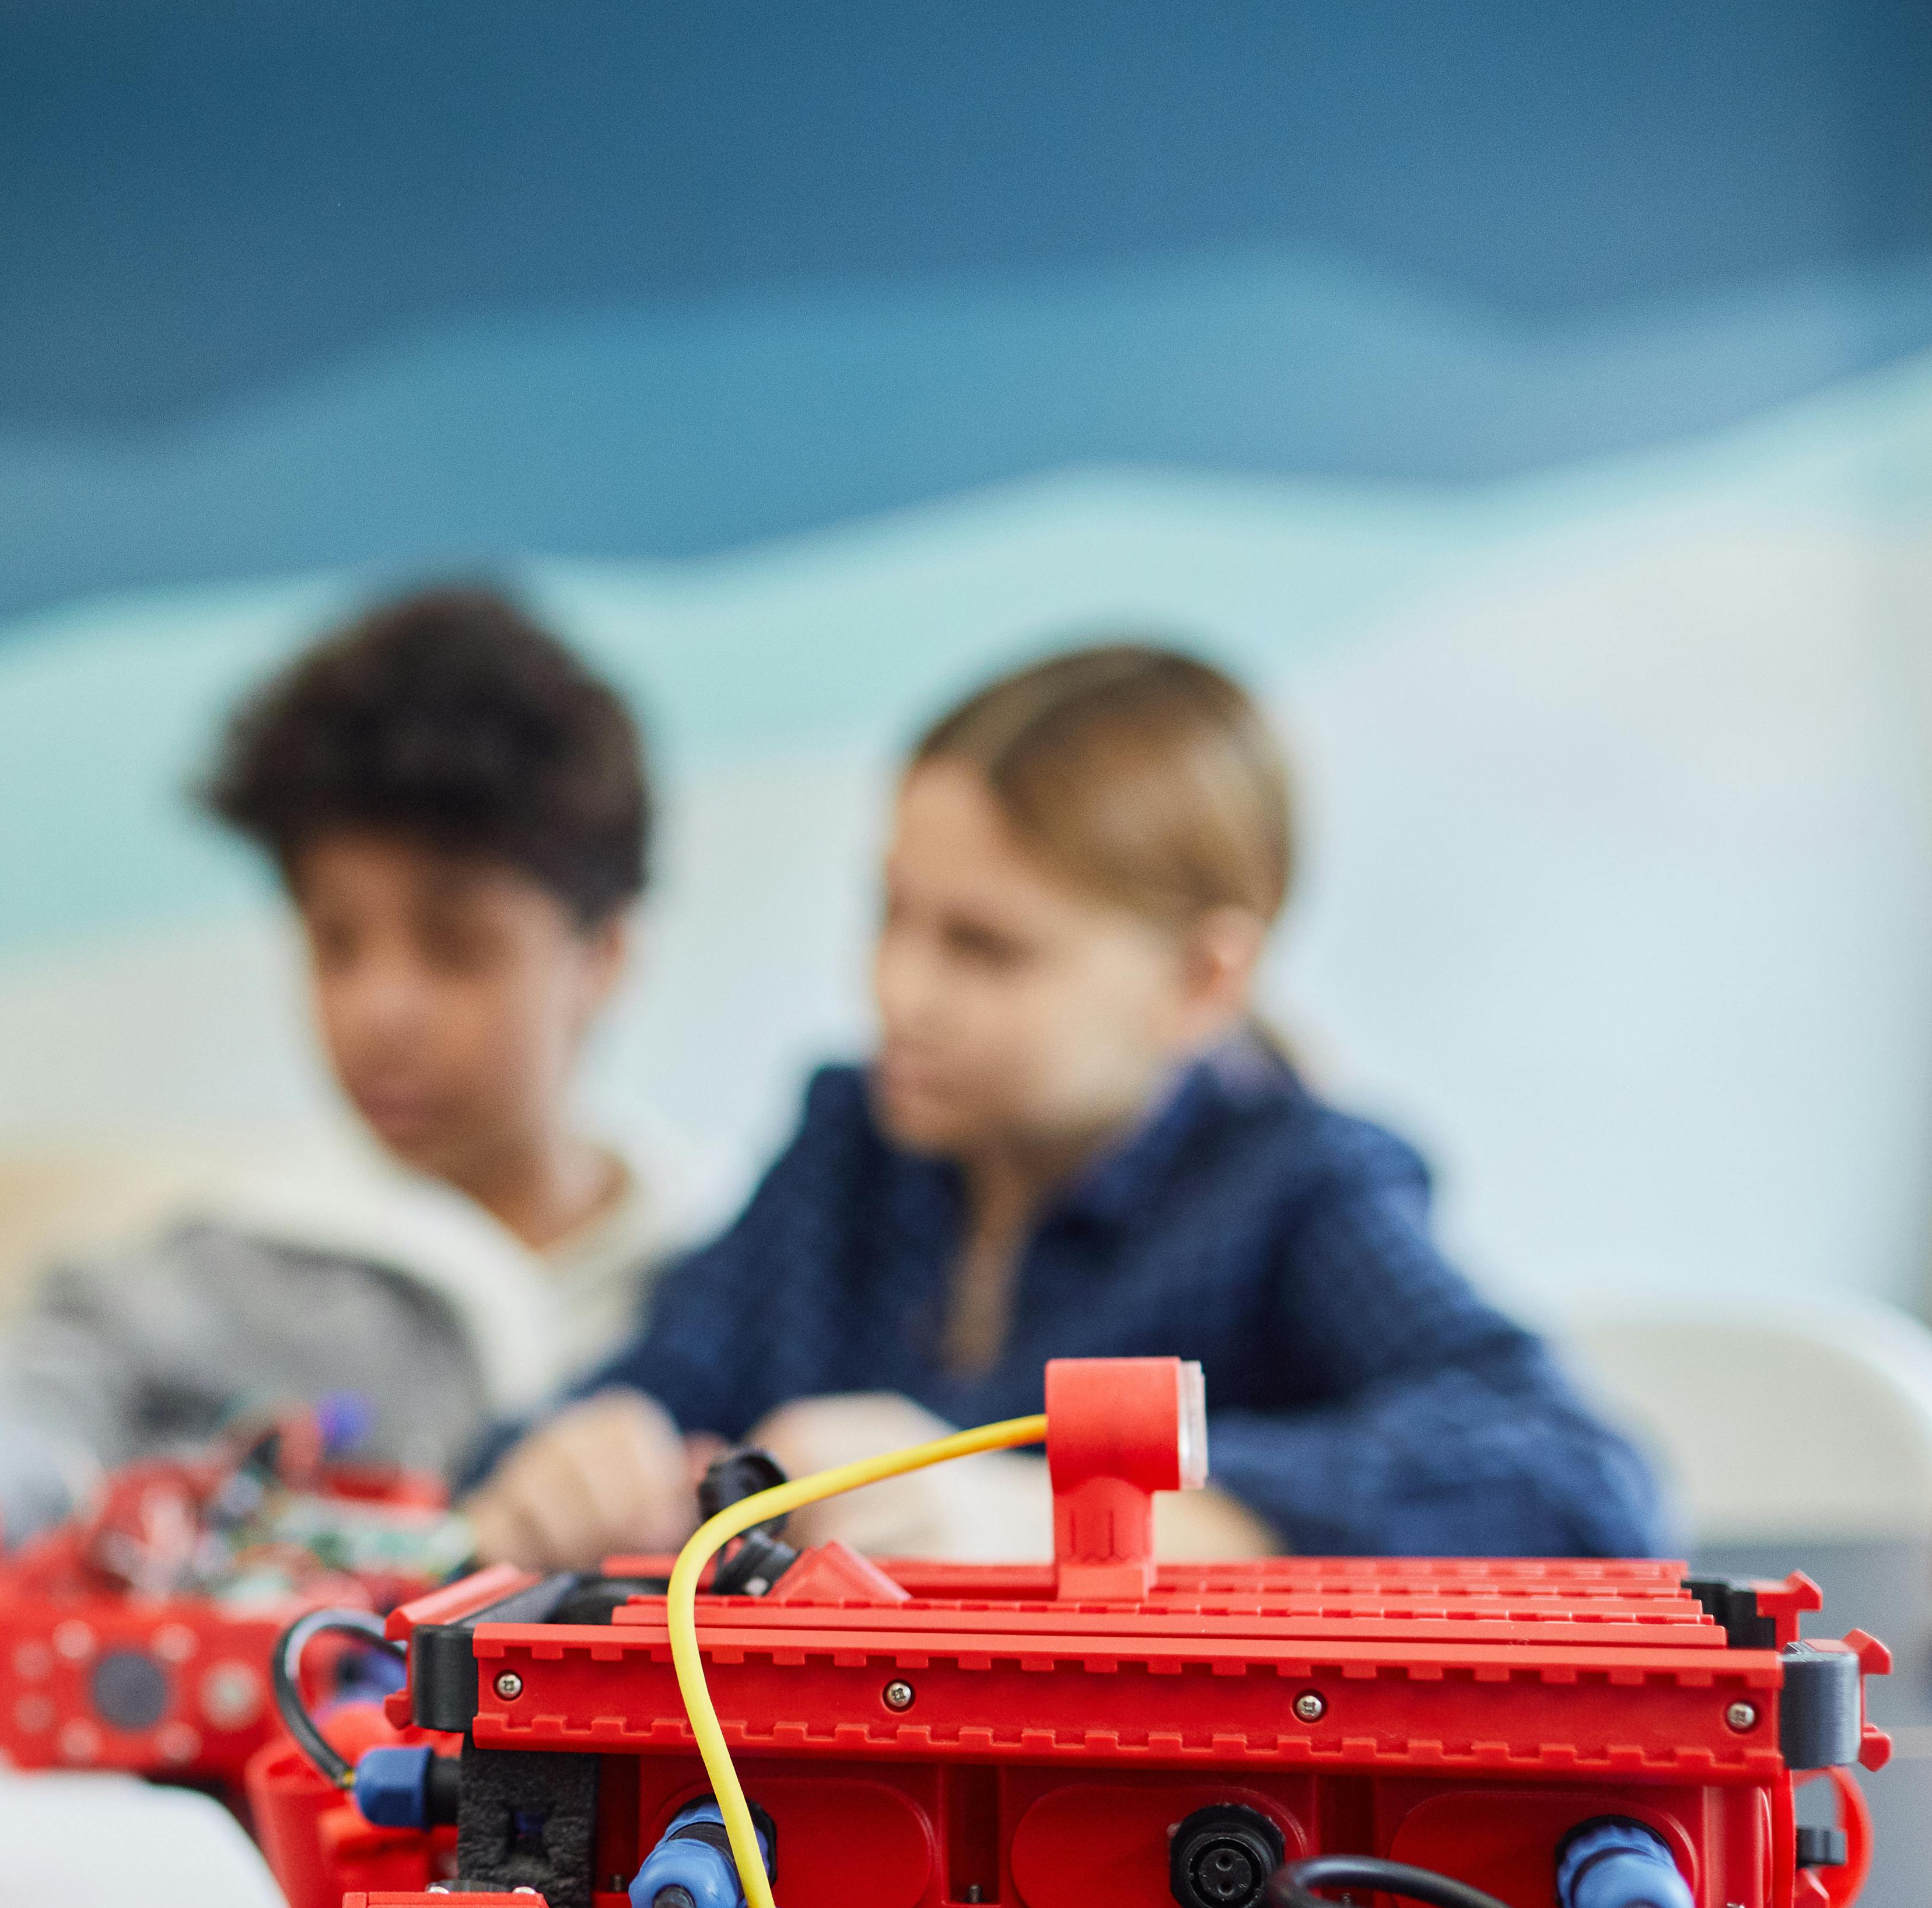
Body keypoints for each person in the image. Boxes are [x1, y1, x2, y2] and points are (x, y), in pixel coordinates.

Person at [464, 643, 1663, 1570]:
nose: (900, 991)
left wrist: (1059, 1514)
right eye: (893, 914)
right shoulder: (847, 1149)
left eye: (984, 948)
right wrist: (583, 1454)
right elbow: (650, 1384)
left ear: (1200, 980)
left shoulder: (1294, 1188)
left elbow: (1578, 1482)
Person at [0, 585, 702, 1527]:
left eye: (455, 946)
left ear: (602, 955)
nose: (380, 1009)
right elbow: (9, 1450)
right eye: (333, 942)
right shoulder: (198, 1282)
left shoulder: (745, 1258)